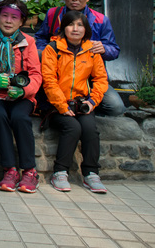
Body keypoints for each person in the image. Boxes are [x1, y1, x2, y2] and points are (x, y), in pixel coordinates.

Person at [0, 0, 42, 194]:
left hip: (20, 95)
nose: (8, 21)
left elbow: (36, 75)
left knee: (20, 118)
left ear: (21, 21)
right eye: (4, 15)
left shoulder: (28, 42)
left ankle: (29, 171)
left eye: (14, 17)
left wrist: (24, 90)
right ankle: (10, 169)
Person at [34, 0, 124, 116]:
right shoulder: (53, 15)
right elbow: (41, 38)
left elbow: (114, 50)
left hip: (88, 76)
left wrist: (105, 49)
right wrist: (50, 51)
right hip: (59, 74)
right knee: (39, 54)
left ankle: (85, 105)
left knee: (116, 107)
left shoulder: (100, 20)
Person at [41, 10, 109, 194]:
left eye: (80, 25)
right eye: (71, 24)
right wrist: (62, 106)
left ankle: (91, 174)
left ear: (86, 29)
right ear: (64, 28)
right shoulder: (53, 49)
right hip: (55, 105)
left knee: (90, 129)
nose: (75, 29)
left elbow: (101, 79)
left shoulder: (91, 50)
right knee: (72, 127)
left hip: (81, 102)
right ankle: (60, 172)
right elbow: (49, 80)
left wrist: (92, 102)